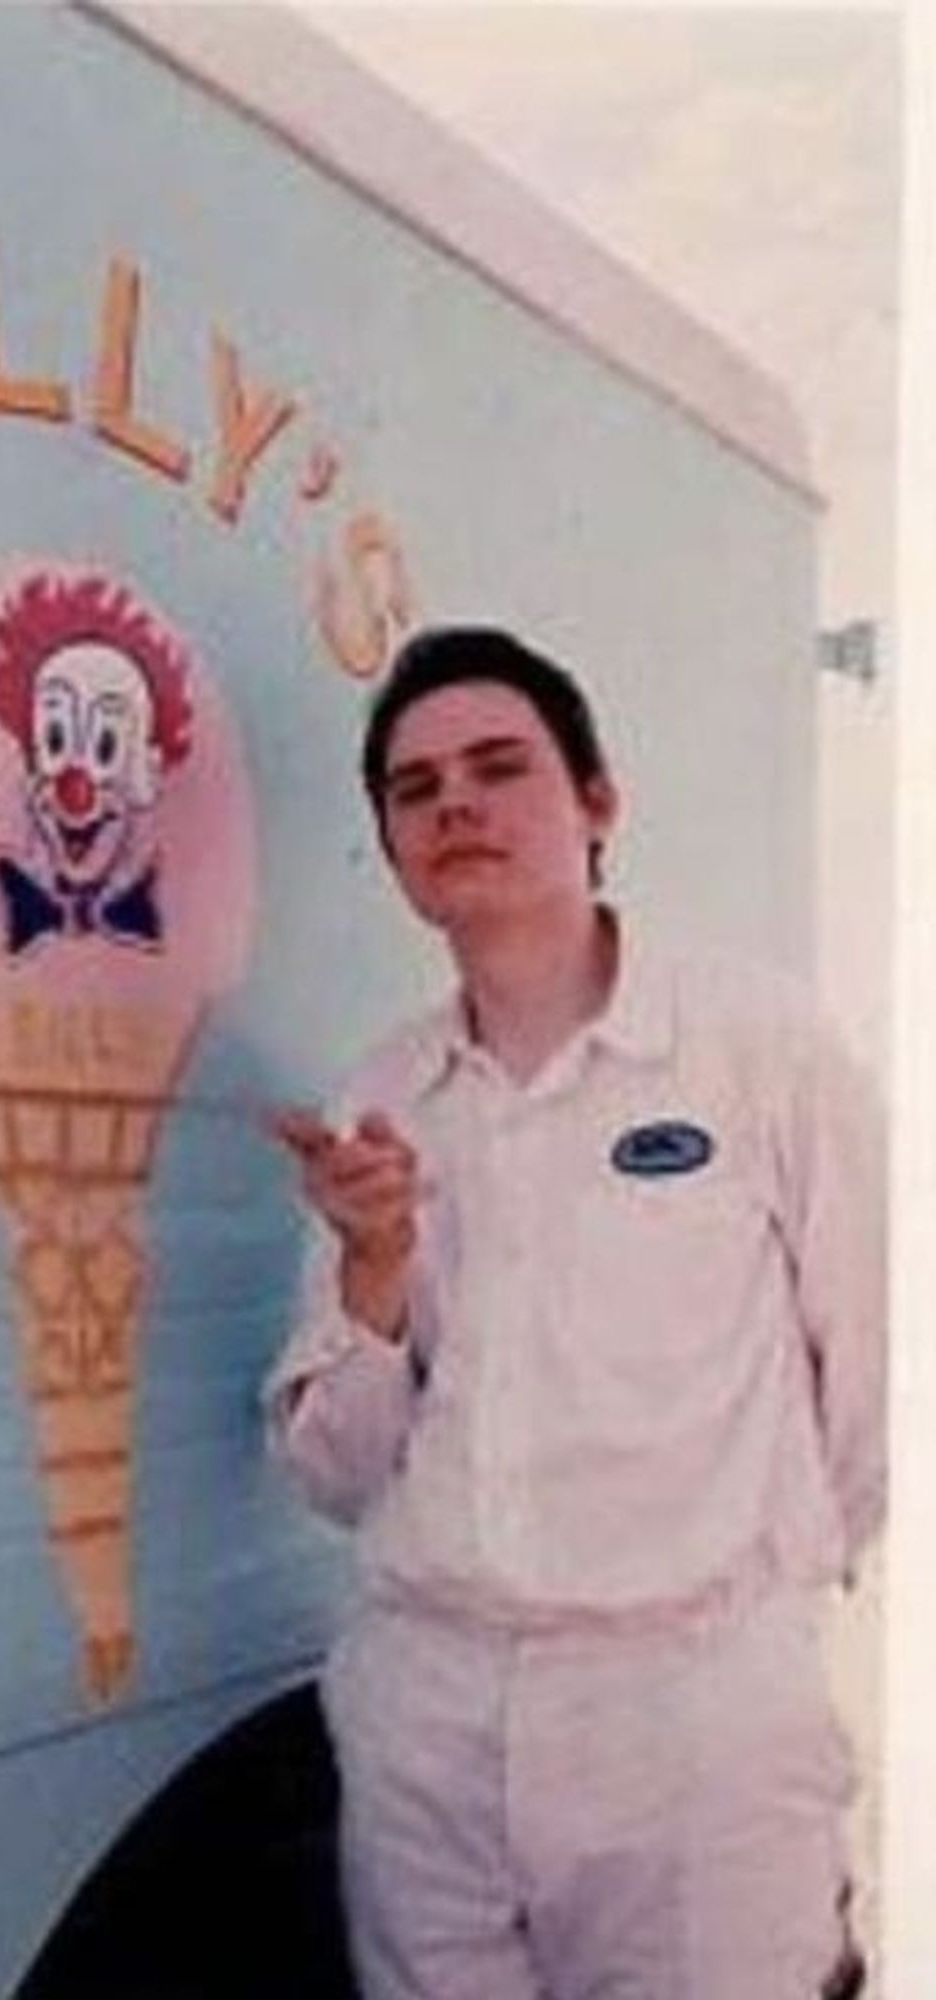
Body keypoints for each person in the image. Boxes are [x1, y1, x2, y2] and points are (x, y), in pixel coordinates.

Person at [265, 627, 884, 2000]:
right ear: (388, 845)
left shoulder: (752, 1043)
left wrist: (755, 1621)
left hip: (691, 1718)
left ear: (597, 803)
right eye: (414, 789)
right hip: (429, 1715)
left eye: (496, 768)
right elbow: (335, 1476)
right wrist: (370, 1264)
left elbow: (878, 1379)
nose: (454, 807)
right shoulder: (385, 1092)